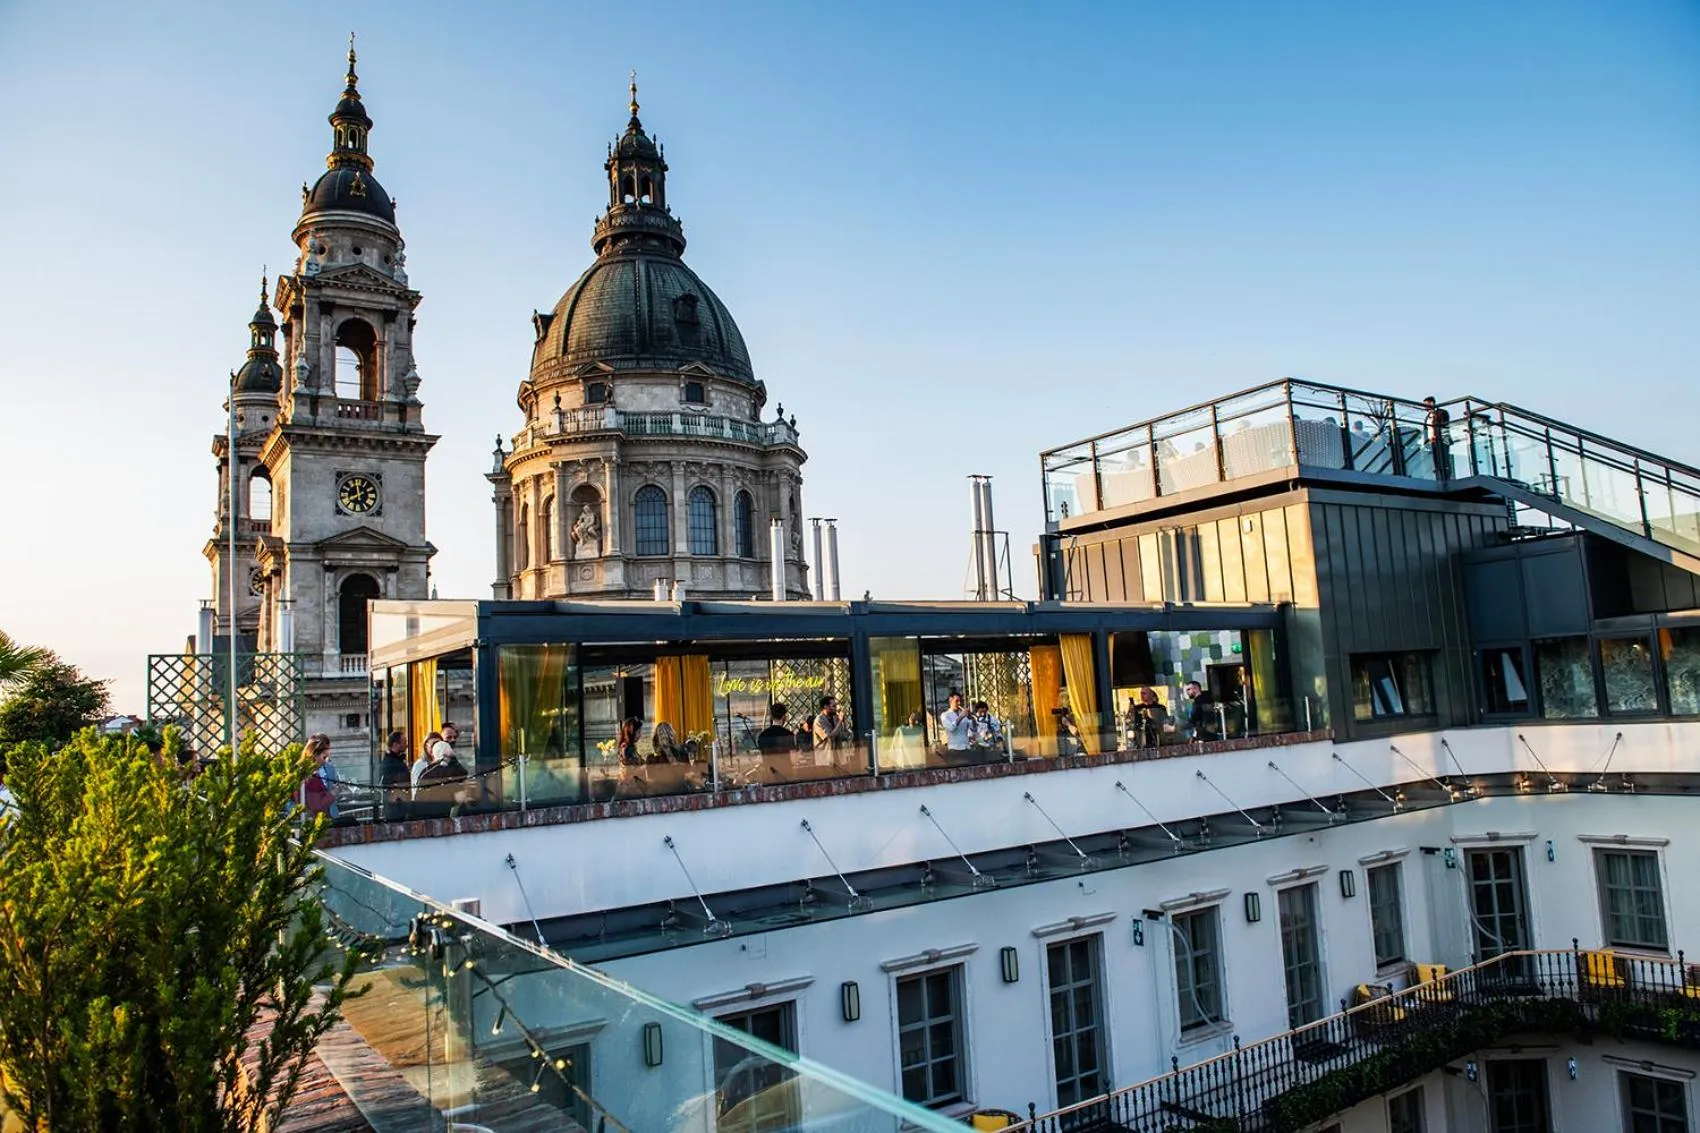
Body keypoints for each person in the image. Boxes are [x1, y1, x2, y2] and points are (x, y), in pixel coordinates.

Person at [301, 733, 338, 819]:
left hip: (326, 817)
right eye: (324, 757)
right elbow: (317, 806)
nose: (326, 761)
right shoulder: (310, 777)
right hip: (313, 820)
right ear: (314, 754)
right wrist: (334, 793)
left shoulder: (328, 769)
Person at [1422, 396, 1452, 481]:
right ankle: (1439, 477)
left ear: (1432, 403)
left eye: (1426, 404)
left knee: (1444, 459)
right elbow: (1426, 429)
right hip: (1432, 441)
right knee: (1436, 460)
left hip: (1442, 439)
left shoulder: (1442, 412)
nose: (1424, 407)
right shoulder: (1427, 416)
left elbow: (1444, 424)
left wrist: (1437, 434)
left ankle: (1446, 478)